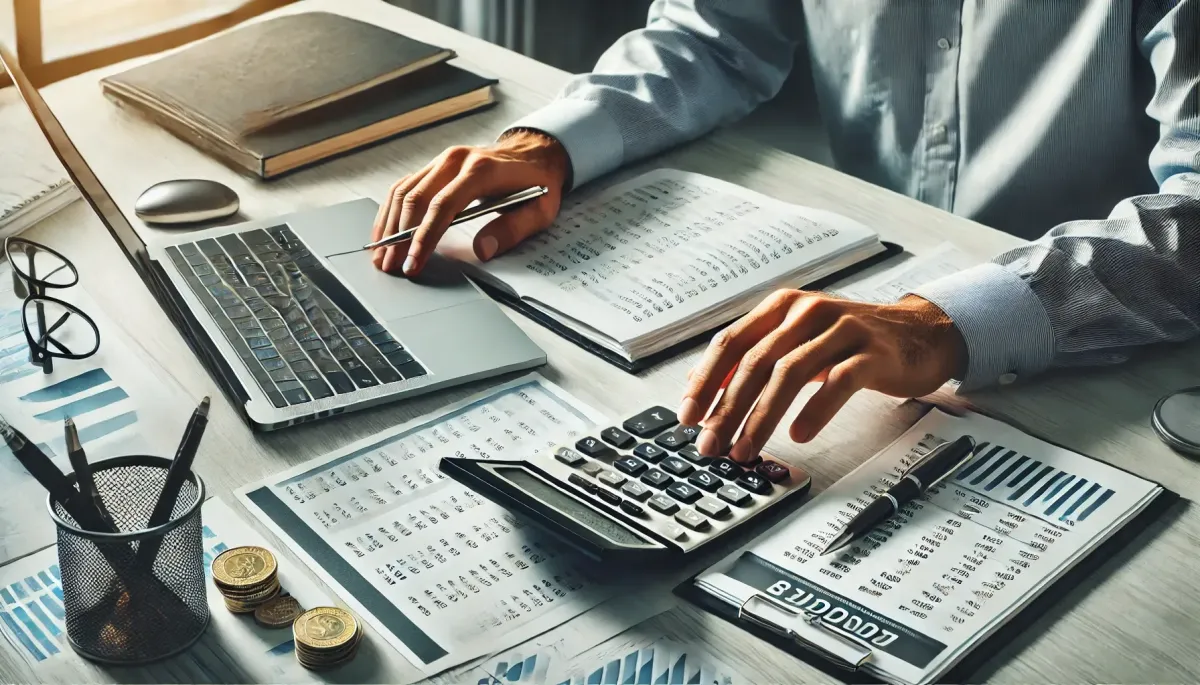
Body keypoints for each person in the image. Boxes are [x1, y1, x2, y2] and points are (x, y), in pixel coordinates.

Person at [370, 1, 1199, 462]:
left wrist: (944, 321)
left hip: (1114, 353)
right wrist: (550, 143)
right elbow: (716, 32)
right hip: (865, 297)